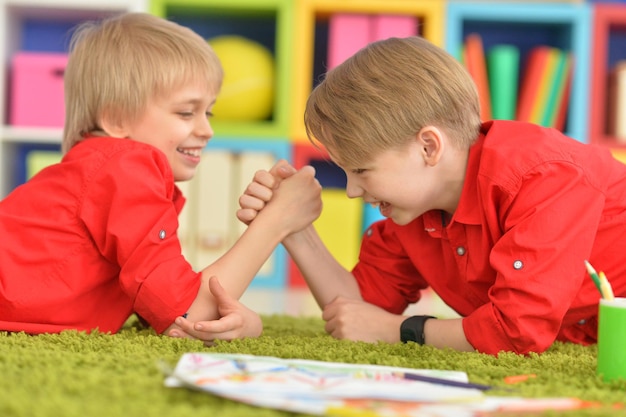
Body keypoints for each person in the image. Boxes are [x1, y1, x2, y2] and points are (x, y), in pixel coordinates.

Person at [232, 36, 626, 356]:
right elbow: (359, 311)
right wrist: (292, 228)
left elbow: (516, 331)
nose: (352, 191)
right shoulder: (418, 209)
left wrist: (399, 331)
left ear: (428, 147)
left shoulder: (544, 177)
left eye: (362, 170)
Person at [0, 12, 322, 344]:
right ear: (116, 119)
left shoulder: (104, 167)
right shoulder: (128, 166)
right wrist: (276, 221)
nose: (207, 130)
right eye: (186, 112)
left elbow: (165, 308)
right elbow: (188, 316)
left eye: (208, 112)